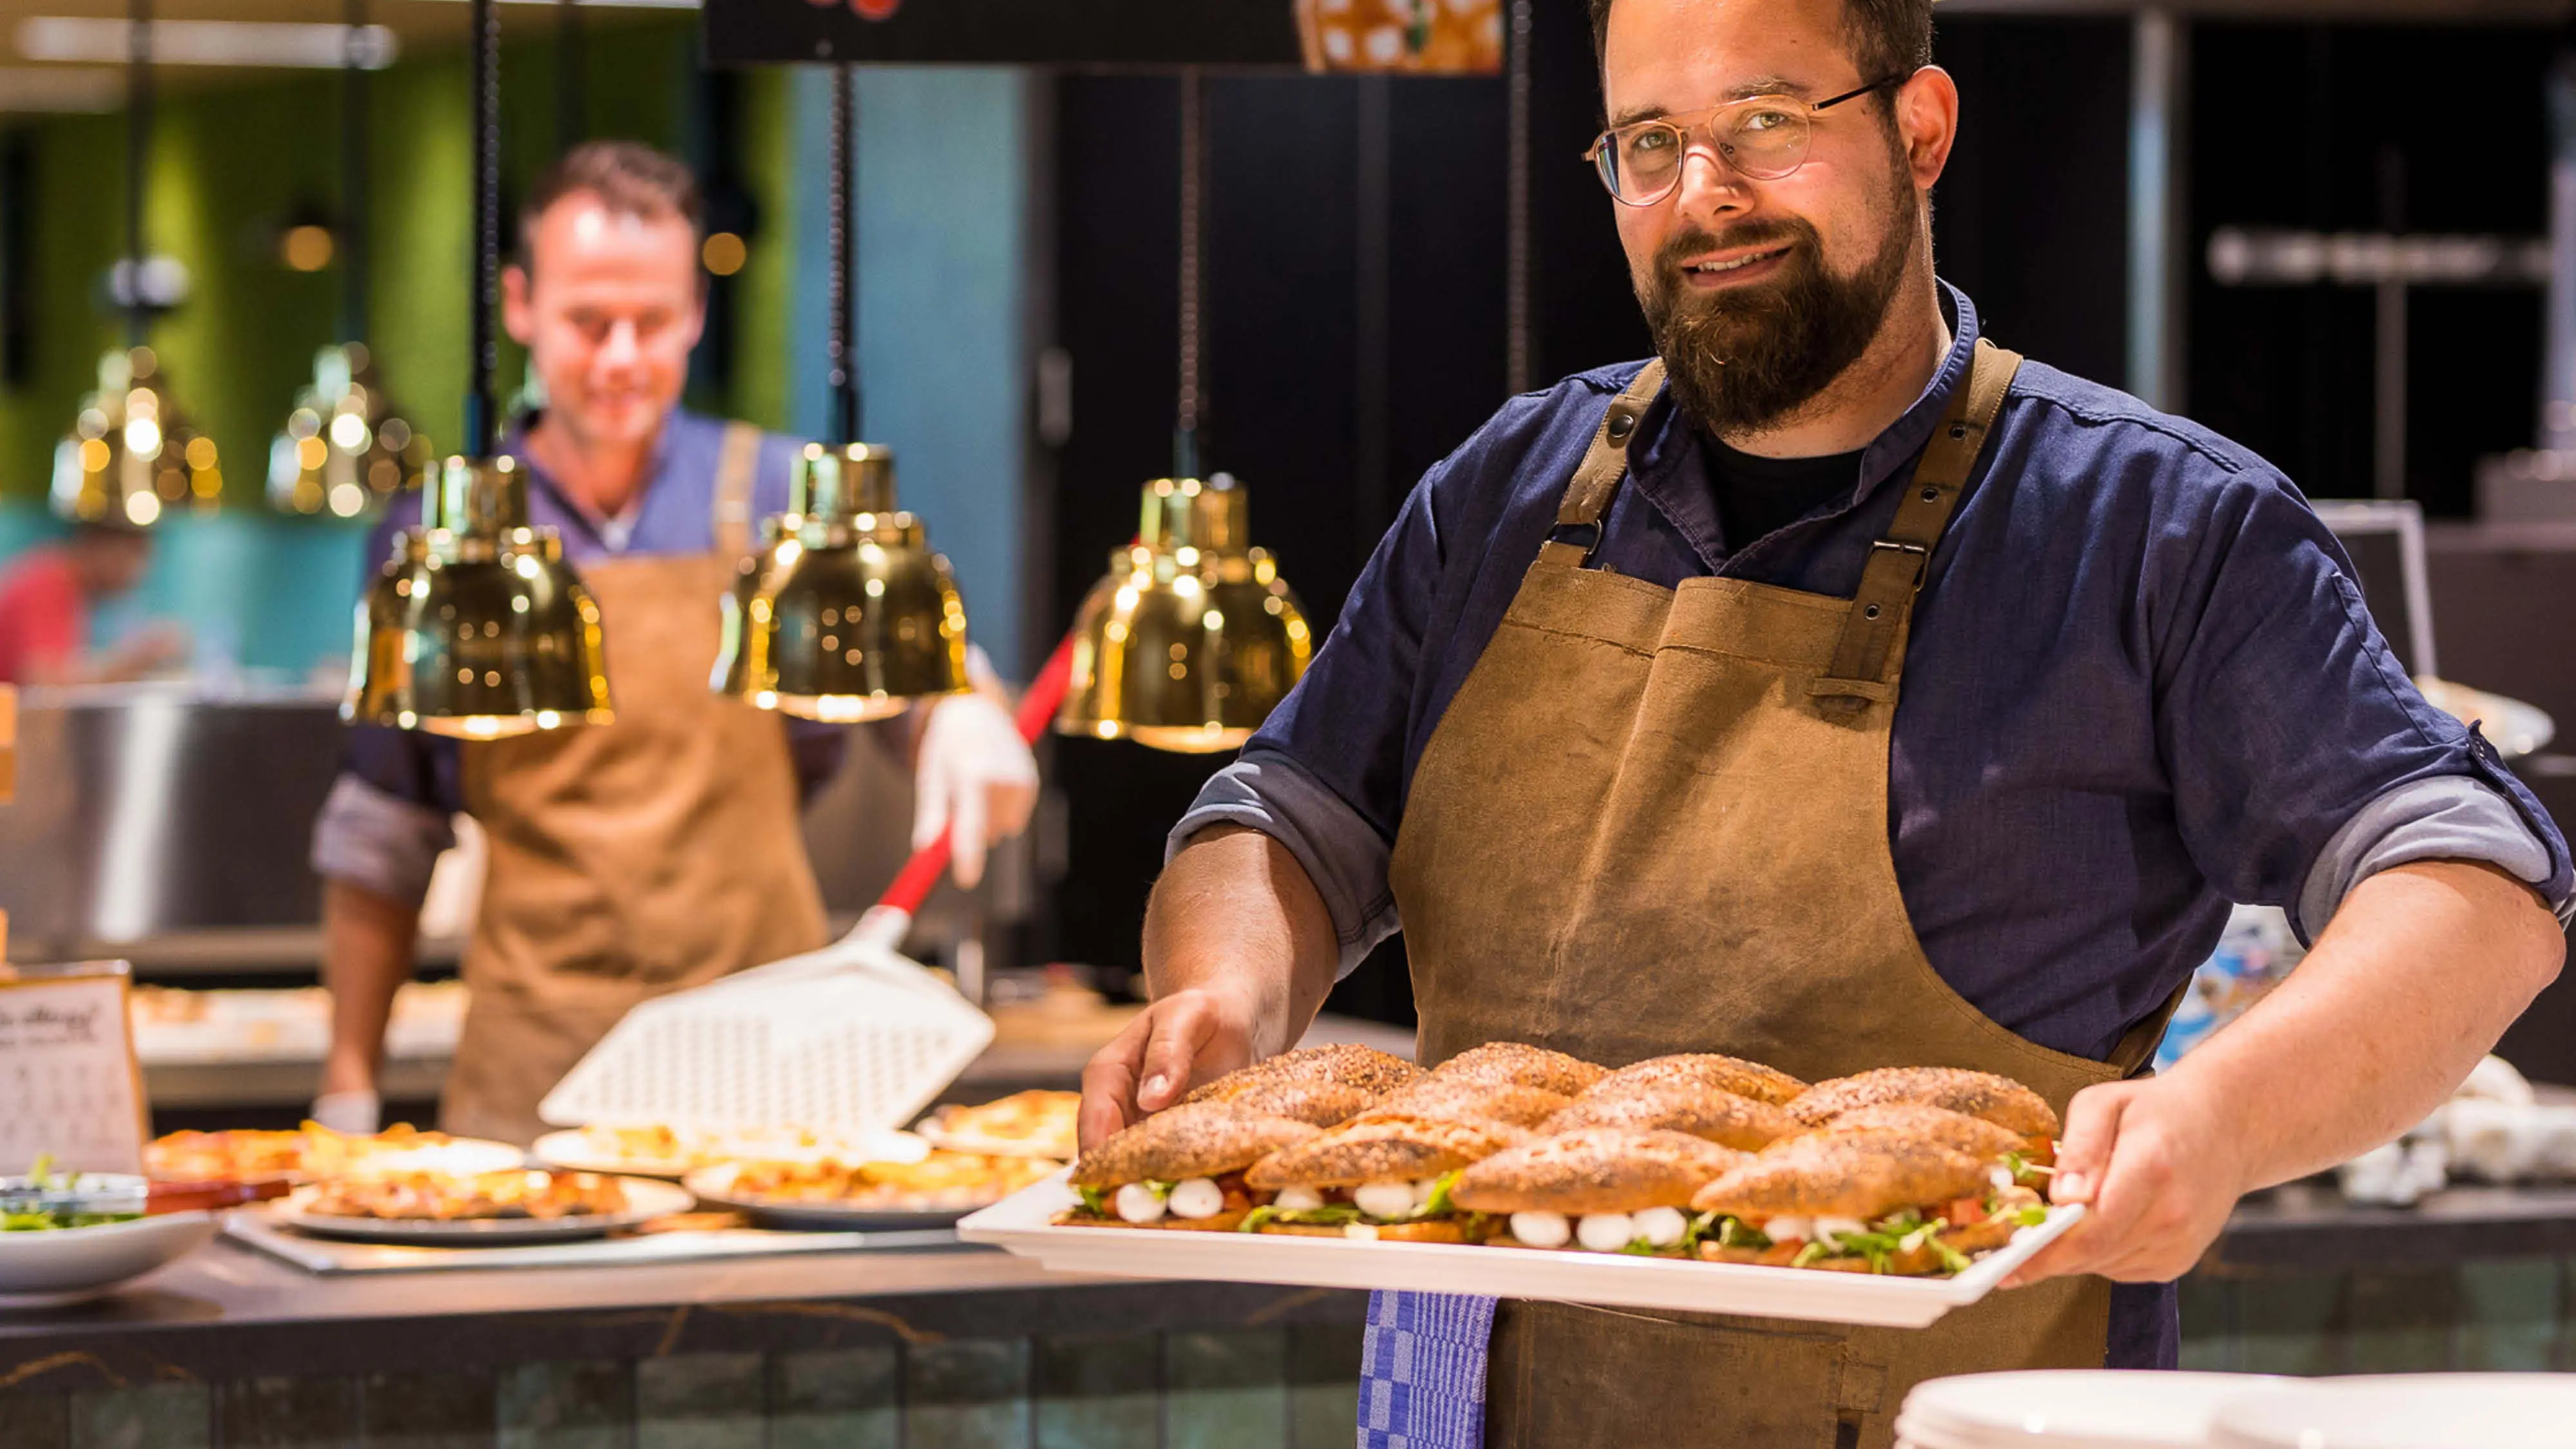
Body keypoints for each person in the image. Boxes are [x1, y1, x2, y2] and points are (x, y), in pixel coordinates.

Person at [1078, 0, 2573, 1443]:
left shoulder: (2157, 528)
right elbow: (1285, 813)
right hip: (1455, 1410)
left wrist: (2227, 1116)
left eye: (1766, 123)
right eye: (1645, 145)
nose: (1702, 197)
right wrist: (1226, 993)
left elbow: (2472, 887)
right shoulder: (1503, 492)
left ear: (1918, 130)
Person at [310, 140, 1039, 1145]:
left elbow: (912, 689)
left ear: (696, 310)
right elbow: (382, 831)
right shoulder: (441, 543)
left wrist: (966, 709)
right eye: (586, 321)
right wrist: (348, 1087)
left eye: (652, 322)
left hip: (767, 1065)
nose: (620, 357)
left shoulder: (787, 500)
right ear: (520, 305)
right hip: (533, 1082)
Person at [0, 521, 181, 685]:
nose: (140, 571)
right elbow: (42, 681)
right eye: (135, 554)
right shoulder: (51, 582)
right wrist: (134, 661)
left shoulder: (65, 582)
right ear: (99, 544)